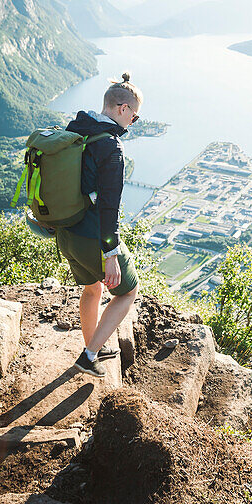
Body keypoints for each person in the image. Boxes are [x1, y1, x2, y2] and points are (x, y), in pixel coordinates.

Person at [57, 72, 142, 377]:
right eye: (134, 116)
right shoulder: (112, 149)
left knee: (92, 289)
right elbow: (109, 209)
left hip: (66, 233)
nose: (133, 123)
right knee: (127, 292)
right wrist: (111, 255)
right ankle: (89, 355)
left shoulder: (77, 128)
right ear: (122, 109)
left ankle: (91, 346)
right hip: (91, 235)